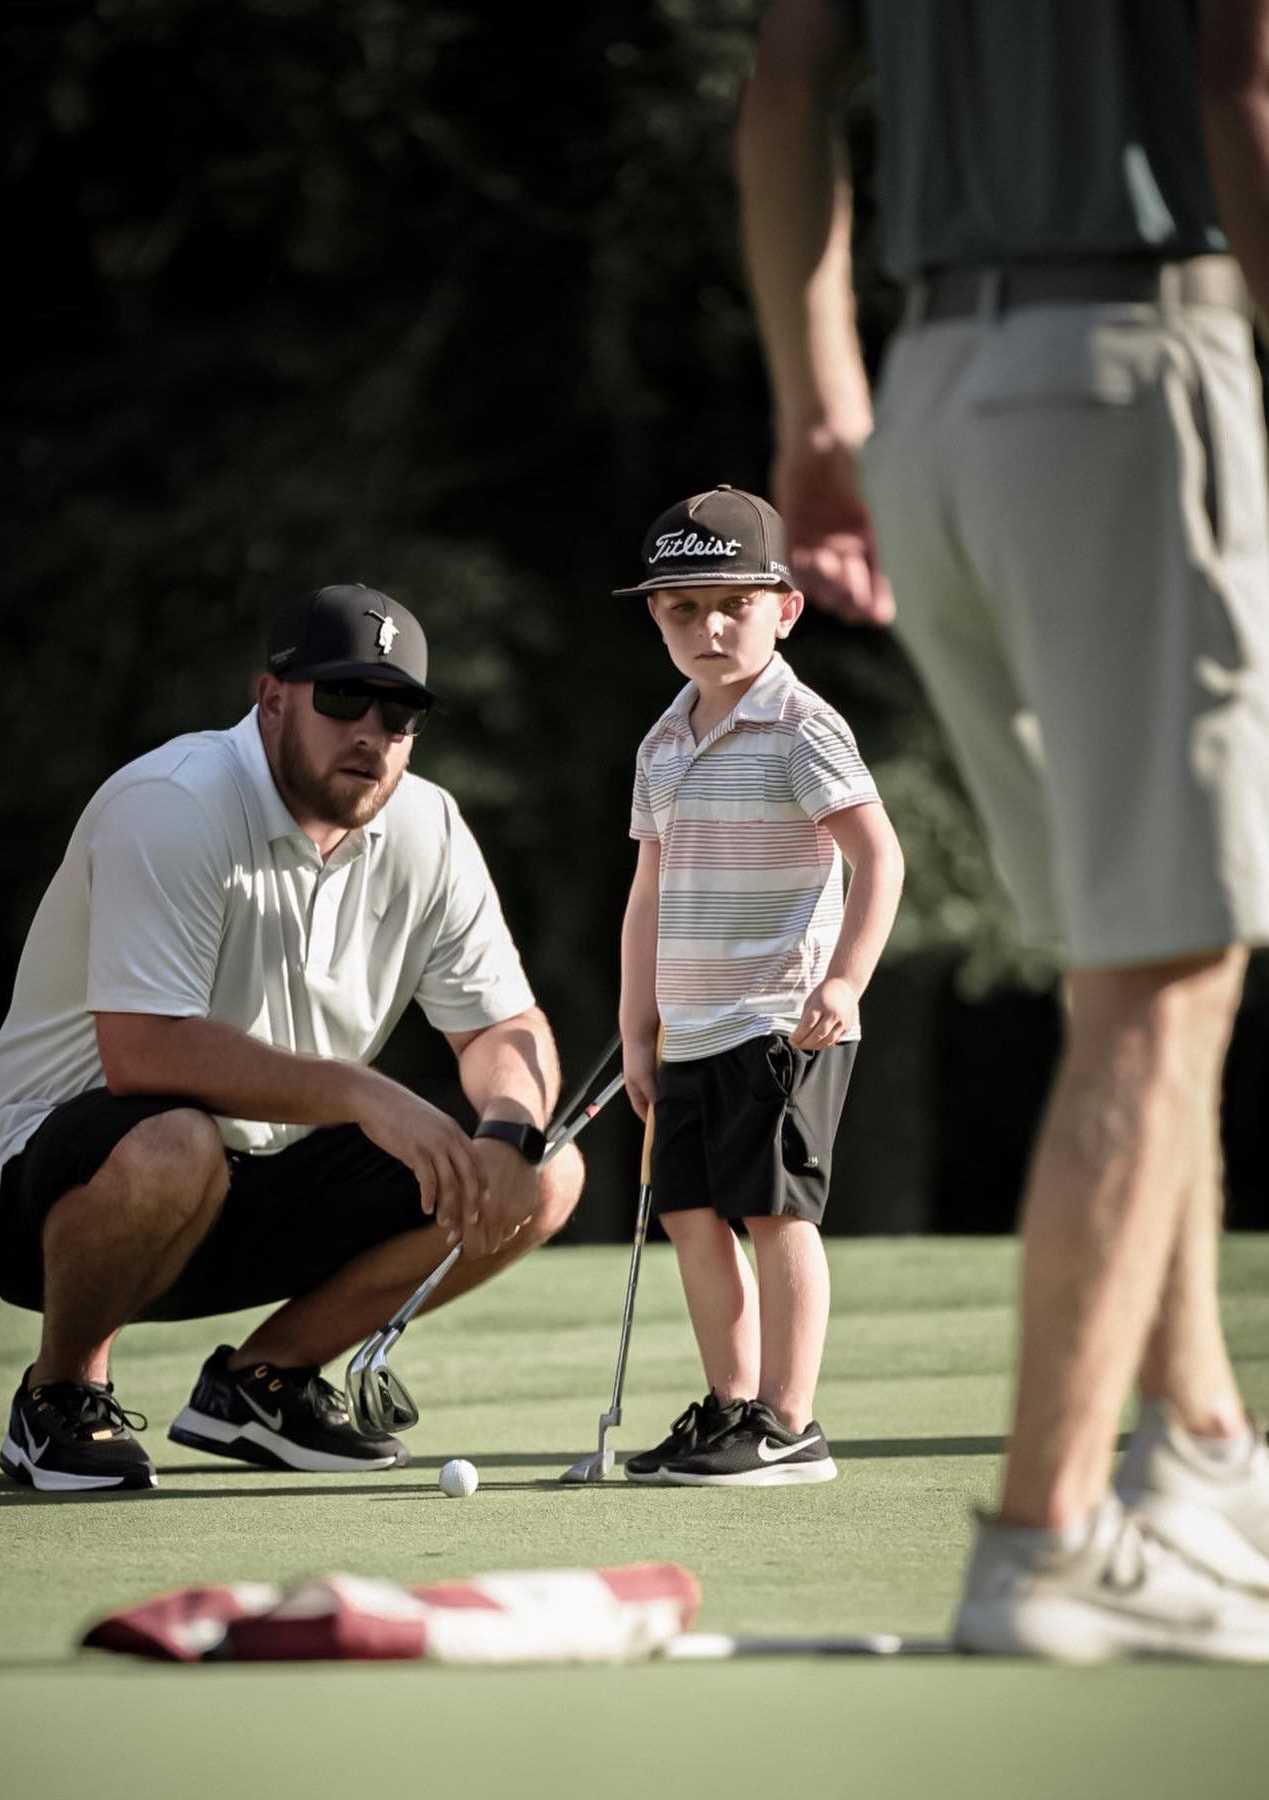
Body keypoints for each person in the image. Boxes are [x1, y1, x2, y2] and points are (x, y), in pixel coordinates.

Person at [736, 0, 1269, 1655]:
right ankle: (1046, 1536)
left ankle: (1199, 1453)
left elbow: (785, 80)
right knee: (1165, 982)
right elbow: (1237, 76)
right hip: (1127, 362)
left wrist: (819, 410)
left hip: (934, 389)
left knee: (1131, 964)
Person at [0, 582, 583, 1492]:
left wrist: (509, 1130)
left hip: (259, 1180)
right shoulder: (175, 802)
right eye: (343, 698)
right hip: (59, 1192)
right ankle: (60, 1393)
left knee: (546, 1171)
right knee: (177, 1141)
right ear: (273, 697)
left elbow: (501, 1025)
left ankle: (263, 1382)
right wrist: (364, 1094)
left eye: (400, 710)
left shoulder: (429, 827)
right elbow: (144, 1052)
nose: (372, 730)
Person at [614, 483, 903, 1486]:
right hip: (689, 1026)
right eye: (683, 608)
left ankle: (790, 1424)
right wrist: (635, 1023)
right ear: (656, 616)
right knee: (693, 1216)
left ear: (786, 607)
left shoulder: (801, 727)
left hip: (784, 1016)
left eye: (734, 602)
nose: (709, 624)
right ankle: (731, 1411)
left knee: (776, 1214)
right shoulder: (662, 741)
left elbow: (881, 857)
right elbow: (648, 887)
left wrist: (847, 980)